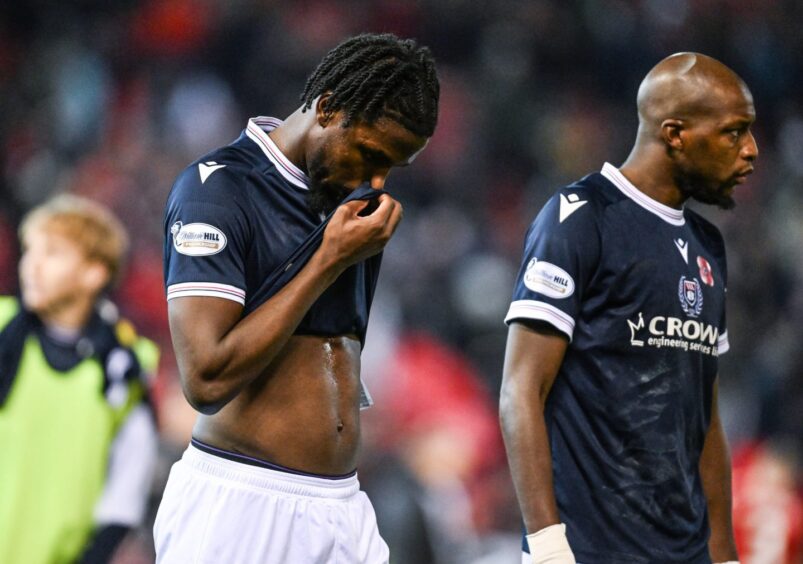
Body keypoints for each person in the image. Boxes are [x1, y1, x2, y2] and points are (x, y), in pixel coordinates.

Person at [154, 32, 439, 563]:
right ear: (328, 108)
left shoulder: (350, 201)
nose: (377, 180)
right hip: (242, 504)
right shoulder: (216, 190)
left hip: (342, 502)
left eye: (393, 167)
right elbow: (205, 379)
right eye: (371, 154)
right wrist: (329, 259)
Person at [500, 52, 757, 564]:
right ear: (675, 133)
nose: (751, 151)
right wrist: (549, 547)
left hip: (684, 551)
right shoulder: (580, 219)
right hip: (590, 549)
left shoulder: (709, 245)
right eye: (734, 132)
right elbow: (520, 390)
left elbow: (704, 419)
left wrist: (724, 553)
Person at [0, 195, 159, 564]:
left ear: (94, 273)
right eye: (29, 251)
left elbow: (125, 494)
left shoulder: (125, 367)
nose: (31, 266)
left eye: (52, 253)